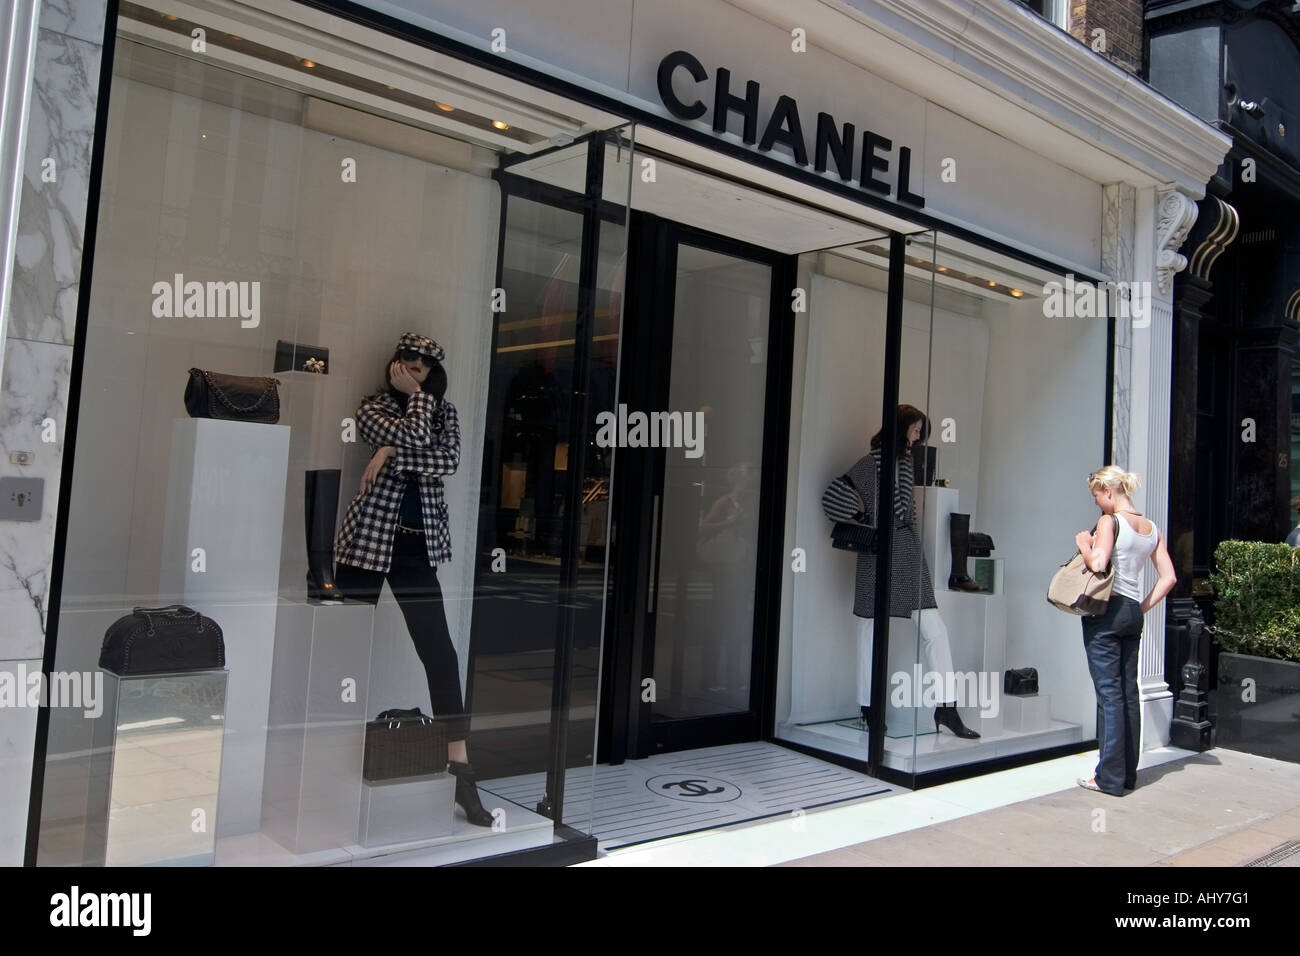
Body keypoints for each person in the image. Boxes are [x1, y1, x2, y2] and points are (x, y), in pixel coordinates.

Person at [333, 332, 493, 827]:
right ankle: (328, 759)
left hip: (415, 547)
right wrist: (411, 416)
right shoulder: (372, 407)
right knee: (342, 652)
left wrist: (389, 455)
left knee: (440, 653)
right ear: (393, 366)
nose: (411, 369)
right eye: (405, 362)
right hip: (366, 544)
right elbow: (424, 445)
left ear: (433, 372)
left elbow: (448, 461)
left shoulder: (445, 413)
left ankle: (461, 768)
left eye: (421, 366)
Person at [822, 405, 978, 739]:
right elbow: (832, 496)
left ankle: (946, 707)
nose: (918, 435)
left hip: (905, 551)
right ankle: (869, 708)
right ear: (901, 428)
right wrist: (864, 518)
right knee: (869, 629)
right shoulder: (873, 462)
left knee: (933, 627)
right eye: (915, 428)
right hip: (879, 553)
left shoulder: (903, 462)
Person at [1074, 466, 1176, 796]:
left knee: (1109, 696)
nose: (1097, 504)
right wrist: (1142, 607)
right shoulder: (1151, 528)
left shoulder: (1110, 522)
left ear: (1109, 492)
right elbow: (1169, 577)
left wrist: (1083, 544)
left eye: (1096, 497)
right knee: (1129, 694)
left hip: (1107, 612)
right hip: (1132, 613)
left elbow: (1099, 563)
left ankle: (1108, 779)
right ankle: (1127, 775)